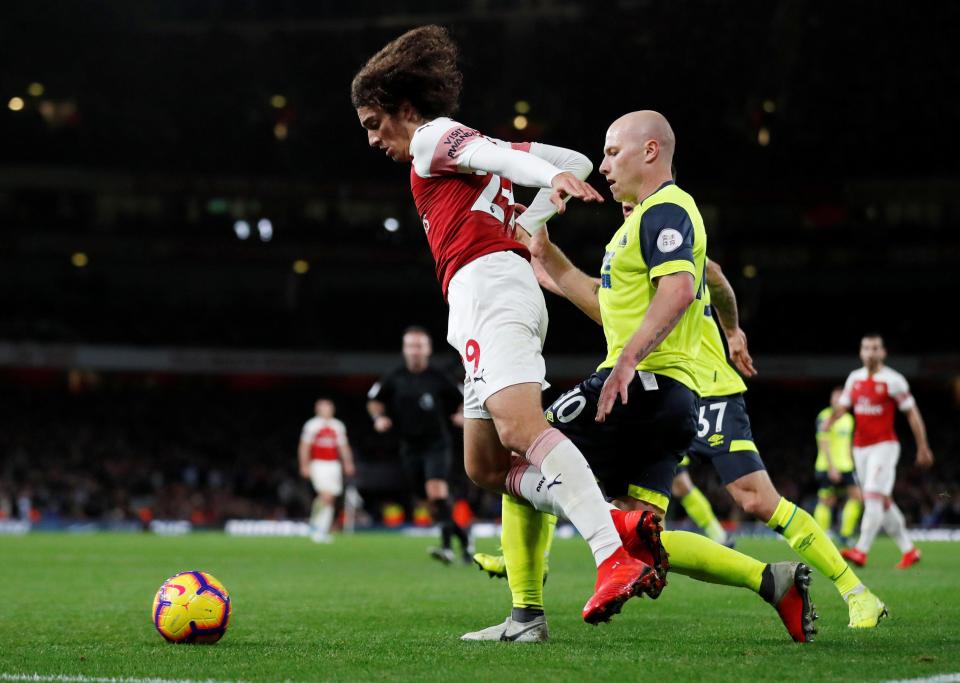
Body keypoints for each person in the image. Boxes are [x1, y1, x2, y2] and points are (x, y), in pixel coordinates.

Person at [464, 112, 816, 644]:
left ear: (650, 151)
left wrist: (626, 362)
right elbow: (611, 313)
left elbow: (678, 290)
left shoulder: (667, 209)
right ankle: (772, 580)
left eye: (611, 152)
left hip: (640, 387)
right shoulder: (635, 225)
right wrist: (548, 257)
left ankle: (525, 618)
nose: (603, 165)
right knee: (642, 539)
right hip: (667, 402)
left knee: (521, 454)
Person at [352, 25, 655, 623]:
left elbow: (512, 160)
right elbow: (568, 159)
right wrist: (535, 212)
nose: (370, 138)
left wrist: (545, 189)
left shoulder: (430, 136)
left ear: (405, 109)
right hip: (484, 293)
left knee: (521, 431)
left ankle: (611, 552)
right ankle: (604, 519)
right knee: (485, 465)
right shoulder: (460, 142)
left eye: (372, 122)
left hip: (491, 288)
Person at [824, 334, 934, 569]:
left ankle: (861, 550)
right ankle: (909, 550)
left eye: (875, 348)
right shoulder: (854, 379)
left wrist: (922, 446)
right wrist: (831, 420)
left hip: (884, 446)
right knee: (881, 501)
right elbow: (844, 405)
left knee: (873, 495)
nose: (870, 352)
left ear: (882, 353)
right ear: (861, 352)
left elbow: (912, 413)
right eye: (866, 348)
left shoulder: (894, 380)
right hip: (860, 448)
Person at [367, 326, 472, 564]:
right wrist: (378, 418)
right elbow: (374, 401)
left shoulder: (439, 377)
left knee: (437, 492)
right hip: (409, 447)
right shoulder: (394, 376)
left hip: (437, 444)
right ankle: (465, 540)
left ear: (428, 349)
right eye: (411, 346)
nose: (415, 351)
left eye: (419, 346)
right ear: (405, 349)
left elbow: (465, 398)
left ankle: (446, 548)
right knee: (432, 504)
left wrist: (462, 414)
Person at [298, 398, 355, 543]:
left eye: (330, 407)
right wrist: (304, 465)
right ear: (318, 410)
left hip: (333, 465)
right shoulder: (312, 425)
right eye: (324, 407)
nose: (328, 410)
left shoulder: (338, 425)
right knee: (325, 495)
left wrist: (348, 463)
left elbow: (343, 447)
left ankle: (322, 529)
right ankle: (315, 527)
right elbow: (304, 446)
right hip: (318, 464)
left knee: (332, 498)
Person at [813, 388, 862, 545]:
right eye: (835, 398)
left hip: (846, 465)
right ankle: (822, 538)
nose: (838, 401)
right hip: (827, 466)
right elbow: (823, 442)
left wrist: (855, 464)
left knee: (857, 497)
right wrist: (831, 467)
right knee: (826, 500)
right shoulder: (824, 417)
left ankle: (845, 536)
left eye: (841, 399)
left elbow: (849, 444)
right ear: (831, 400)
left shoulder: (848, 419)